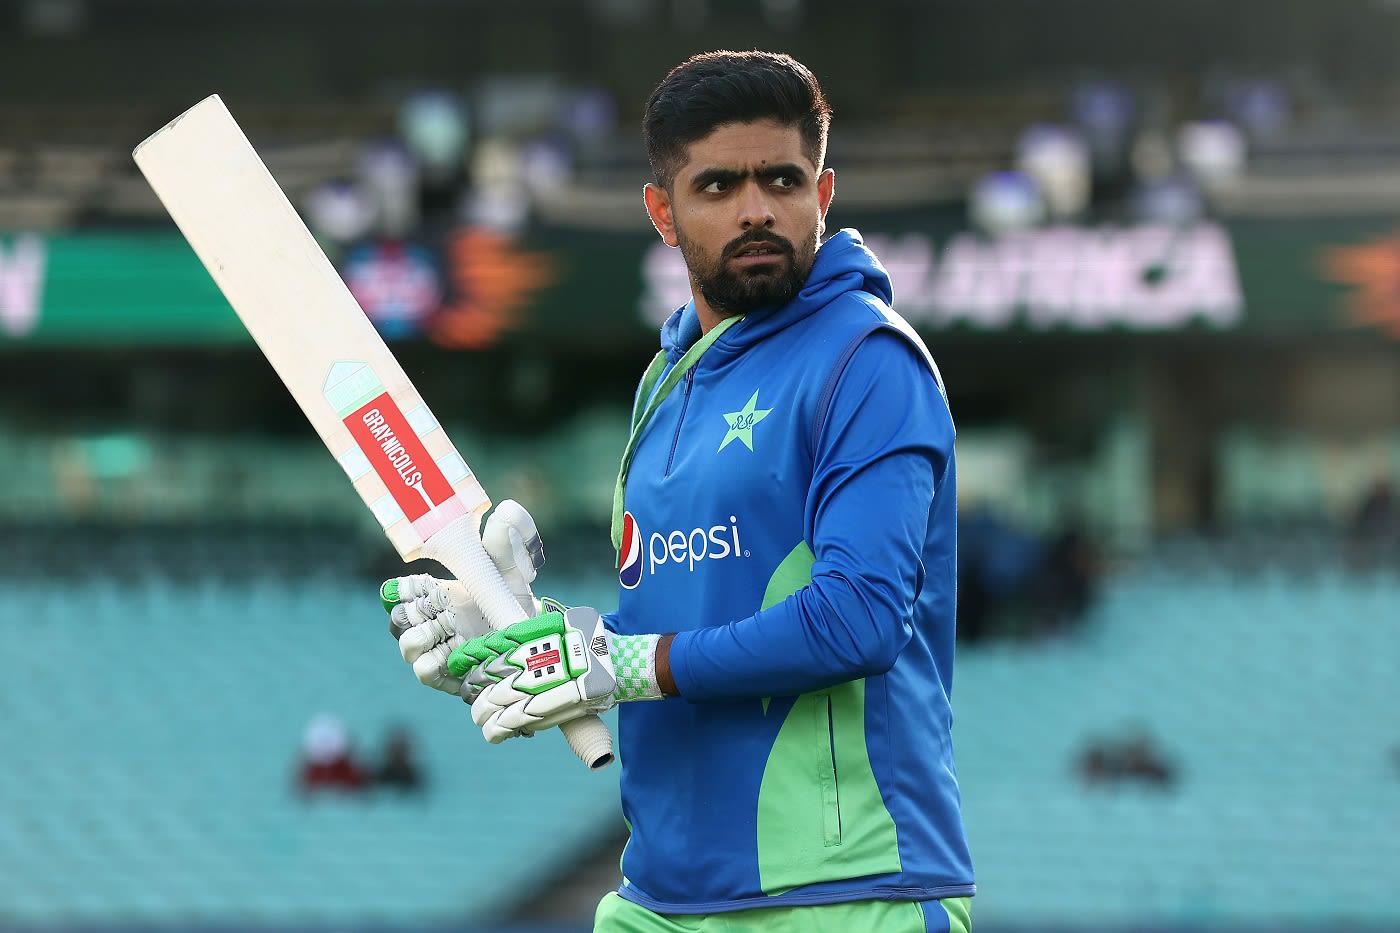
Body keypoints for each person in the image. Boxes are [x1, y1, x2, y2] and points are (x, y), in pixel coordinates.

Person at [380, 50, 974, 932]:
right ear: (662, 210)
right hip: (661, 896)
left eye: (783, 178)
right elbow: (676, 627)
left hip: (846, 894)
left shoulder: (868, 361)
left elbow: (857, 619)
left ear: (825, 191)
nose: (756, 208)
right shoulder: (666, 382)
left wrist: (618, 667)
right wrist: (534, 635)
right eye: (718, 186)